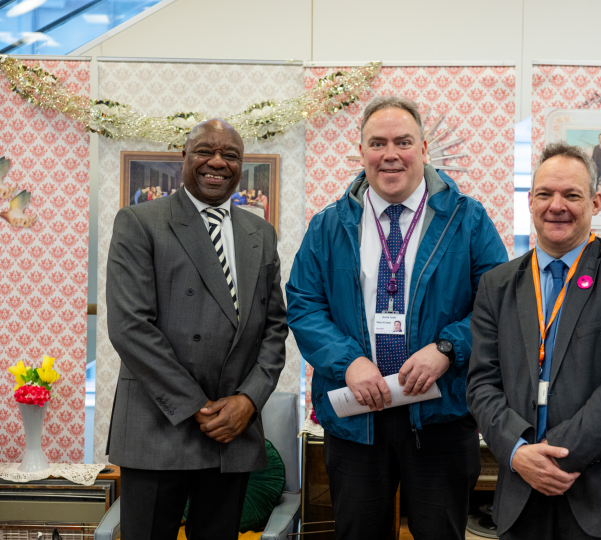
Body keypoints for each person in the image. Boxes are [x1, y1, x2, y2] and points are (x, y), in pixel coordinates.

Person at [286, 96, 508, 540]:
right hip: (356, 416)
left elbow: (496, 304)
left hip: (439, 414)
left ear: (424, 150)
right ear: (361, 152)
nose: (391, 154)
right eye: (378, 143)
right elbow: (304, 304)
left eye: (403, 142)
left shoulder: (468, 220)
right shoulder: (328, 225)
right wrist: (348, 362)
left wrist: (447, 349)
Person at [467, 141, 601, 539]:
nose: (556, 205)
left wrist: (552, 456)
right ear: (530, 201)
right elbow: (481, 383)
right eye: (545, 194)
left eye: (571, 195)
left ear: (596, 202)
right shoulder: (497, 285)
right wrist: (518, 452)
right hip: (524, 498)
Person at [106, 119, 288, 540]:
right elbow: (130, 327)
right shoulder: (140, 222)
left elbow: (274, 327)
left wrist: (248, 400)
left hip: (234, 431)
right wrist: (199, 408)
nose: (218, 162)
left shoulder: (259, 232)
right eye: (206, 150)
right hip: (159, 426)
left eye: (231, 155)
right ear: (183, 157)